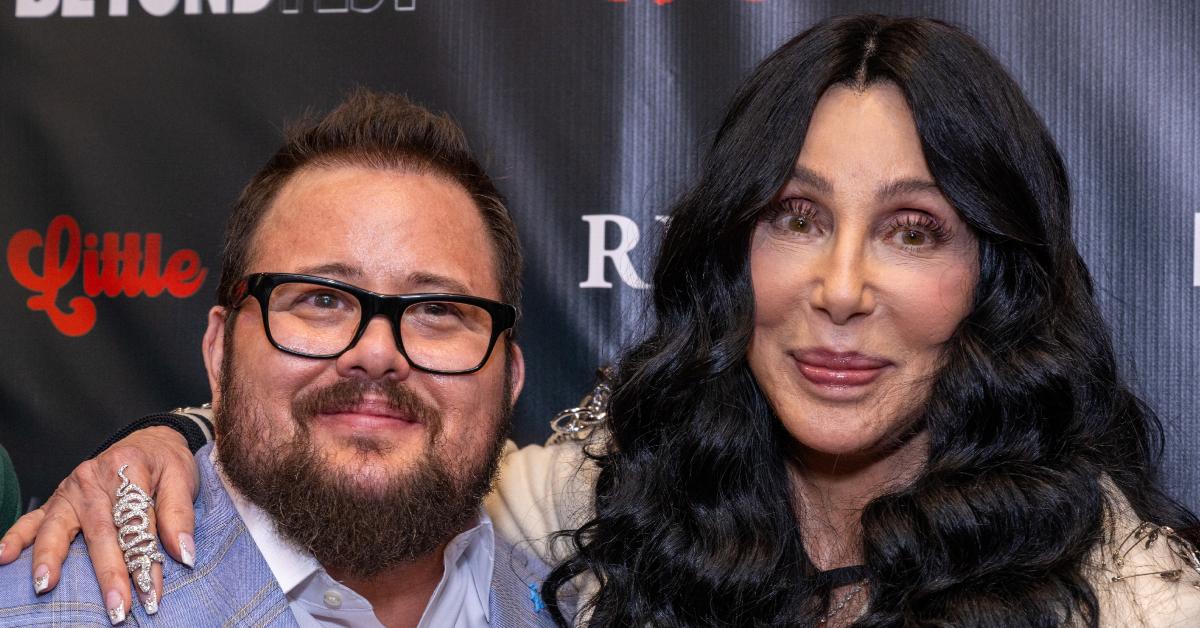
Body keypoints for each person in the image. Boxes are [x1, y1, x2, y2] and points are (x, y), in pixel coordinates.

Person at [6, 14, 1200, 627]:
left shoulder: (1130, 587)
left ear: (991, 275)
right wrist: (182, 436)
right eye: (796, 214)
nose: (841, 286)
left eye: (914, 229)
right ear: (737, 247)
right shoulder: (633, 483)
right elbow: (392, 436)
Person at [0, 89, 559, 627]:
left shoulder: (587, 606)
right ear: (219, 353)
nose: (376, 352)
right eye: (321, 300)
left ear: (509, 377)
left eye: (437, 309)